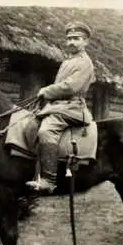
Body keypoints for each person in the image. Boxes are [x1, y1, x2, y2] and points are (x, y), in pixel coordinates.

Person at [25, 21, 96, 194]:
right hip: (60, 106)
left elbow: (71, 87)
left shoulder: (85, 63)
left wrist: (46, 91)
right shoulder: (68, 61)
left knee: (46, 131)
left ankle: (49, 180)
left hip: (72, 108)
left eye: (76, 39)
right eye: (69, 38)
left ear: (85, 42)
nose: (71, 42)